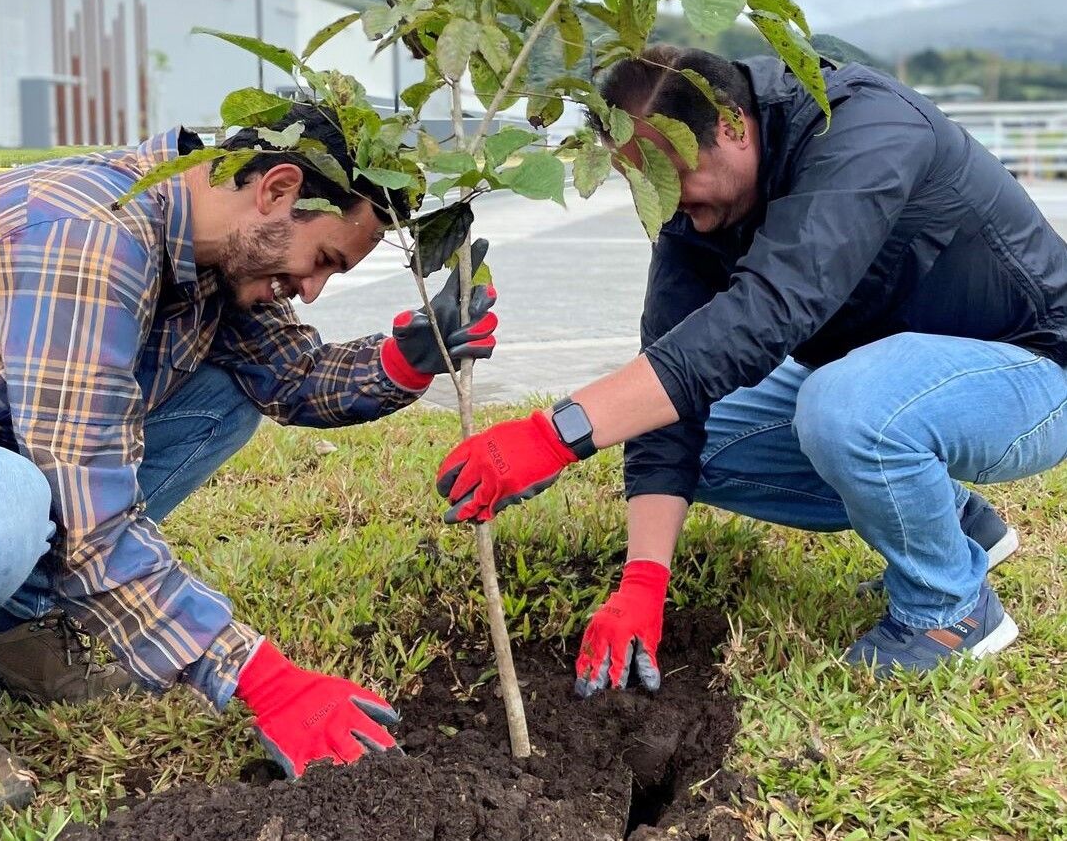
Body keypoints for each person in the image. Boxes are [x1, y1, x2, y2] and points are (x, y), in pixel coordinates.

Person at [436, 45, 1067, 695]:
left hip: (1036, 369)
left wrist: (553, 434)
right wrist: (643, 584)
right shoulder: (692, 210)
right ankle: (958, 523)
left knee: (844, 407)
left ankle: (950, 608)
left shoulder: (866, 130)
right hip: (904, 382)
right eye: (644, 182)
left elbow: (766, 314)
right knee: (690, 433)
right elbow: (670, 375)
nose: (667, 201)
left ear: (734, 126)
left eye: (674, 173)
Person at [0, 103, 498, 809]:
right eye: (322, 259)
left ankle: (9, 626)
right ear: (277, 190)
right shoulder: (90, 239)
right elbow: (89, 518)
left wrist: (407, 359)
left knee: (227, 394)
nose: (314, 290)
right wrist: (266, 679)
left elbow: (289, 377)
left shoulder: (209, 252)